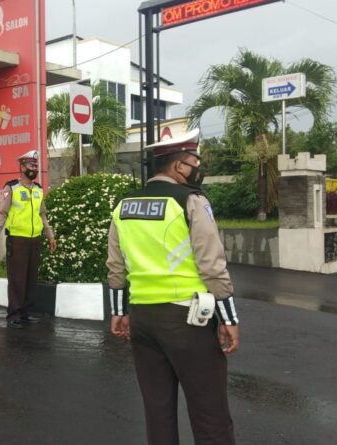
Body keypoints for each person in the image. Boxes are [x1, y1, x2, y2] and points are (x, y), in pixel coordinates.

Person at [106, 128, 239, 444]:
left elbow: (116, 264)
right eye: (194, 160)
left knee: (158, 412)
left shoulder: (124, 205)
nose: (197, 167)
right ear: (179, 166)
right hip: (187, 322)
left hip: (142, 320)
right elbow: (212, 264)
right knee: (211, 416)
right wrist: (230, 318)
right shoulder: (190, 201)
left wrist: (118, 312)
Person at [0, 150, 57, 329]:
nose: (33, 168)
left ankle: (25, 313)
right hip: (17, 239)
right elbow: (2, 213)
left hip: (34, 239)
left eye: (35, 165)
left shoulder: (38, 190)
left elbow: (42, 214)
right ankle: (14, 315)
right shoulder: (11, 188)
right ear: (22, 167)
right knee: (17, 278)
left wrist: (50, 235)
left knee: (30, 278)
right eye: (30, 165)